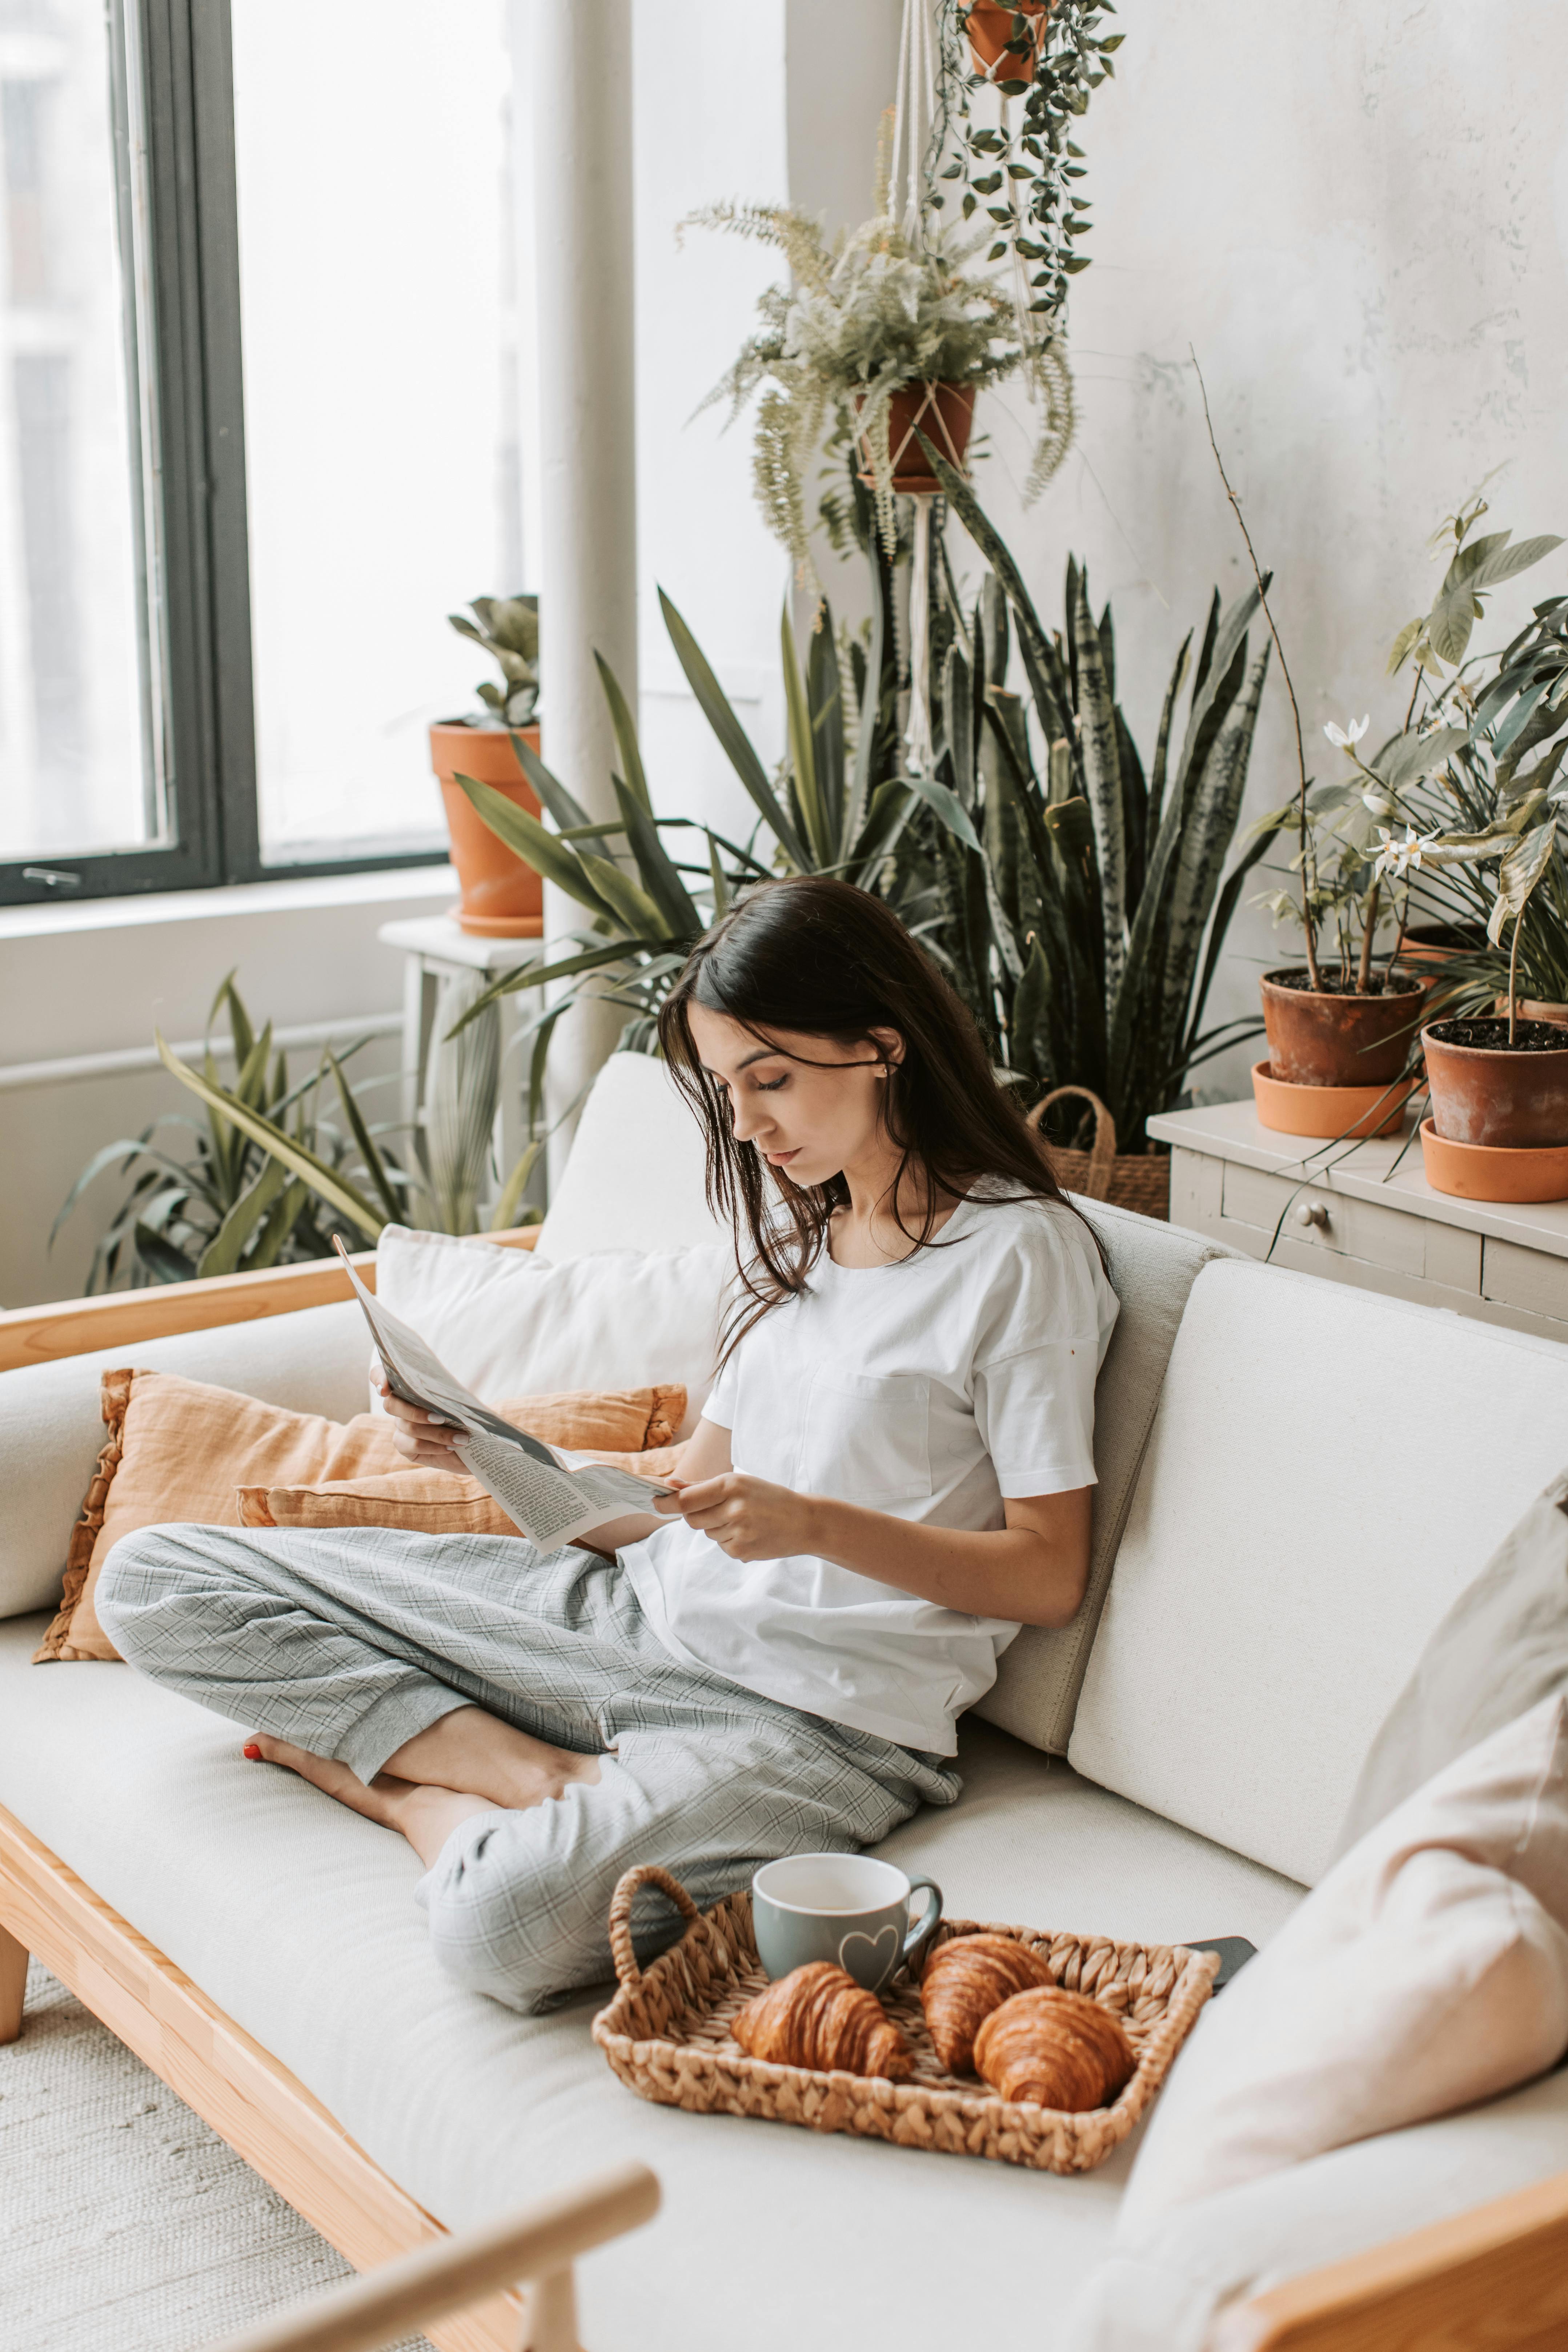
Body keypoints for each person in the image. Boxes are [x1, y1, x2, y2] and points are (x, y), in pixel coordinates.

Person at [96, 878, 1119, 2011]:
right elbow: (687, 1501)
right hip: (627, 1618)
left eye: (770, 1080)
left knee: (503, 1928)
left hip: (814, 1720)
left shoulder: (1019, 1259)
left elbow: (1045, 1572)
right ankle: (532, 1774)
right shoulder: (799, 1241)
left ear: (881, 1048)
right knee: (154, 1577)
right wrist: (478, 1453)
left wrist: (811, 1525)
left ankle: (410, 1793)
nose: (747, 1126)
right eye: (727, 1089)